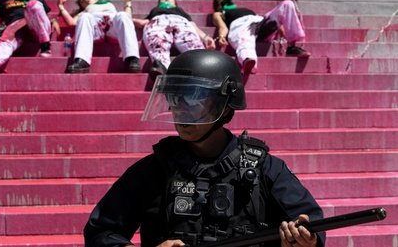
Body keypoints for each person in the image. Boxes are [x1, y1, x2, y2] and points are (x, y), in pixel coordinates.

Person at [83, 49, 326, 247]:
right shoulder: (153, 169)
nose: (181, 109)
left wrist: (307, 241)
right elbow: (101, 231)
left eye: (195, 99)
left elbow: (308, 224)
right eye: (175, 98)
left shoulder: (263, 167)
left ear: (226, 107)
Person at [212, 0, 310, 76]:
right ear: (218, 6)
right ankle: (247, 60)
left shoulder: (244, 10)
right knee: (244, 39)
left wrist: (279, 25)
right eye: (223, 0)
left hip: (258, 22)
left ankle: (291, 46)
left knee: (287, 4)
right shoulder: (219, 13)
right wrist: (221, 36)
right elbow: (222, 26)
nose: (227, 0)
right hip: (240, 25)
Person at [55, 0, 141, 73]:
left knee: (123, 15)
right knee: (84, 17)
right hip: (95, 31)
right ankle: (82, 60)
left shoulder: (109, 5)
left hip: (112, 28)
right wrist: (61, 6)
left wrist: (127, 2)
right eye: (81, 0)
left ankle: (132, 59)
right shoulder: (85, 12)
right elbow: (71, 23)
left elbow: (128, 19)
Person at [133, 0, 215, 80]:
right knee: (158, 42)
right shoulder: (155, 11)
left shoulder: (180, 11)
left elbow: (193, 26)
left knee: (192, 43)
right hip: (159, 21)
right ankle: (162, 68)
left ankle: (201, 67)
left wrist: (205, 37)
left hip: (180, 22)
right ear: (159, 3)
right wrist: (125, 17)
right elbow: (143, 22)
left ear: (175, 3)